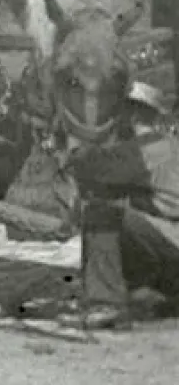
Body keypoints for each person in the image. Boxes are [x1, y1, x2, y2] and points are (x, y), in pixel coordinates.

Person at [60, 121, 179, 329]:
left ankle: (106, 305)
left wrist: (73, 148)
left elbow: (93, 169)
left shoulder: (153, 146)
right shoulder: (168, 146)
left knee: (101, 213)